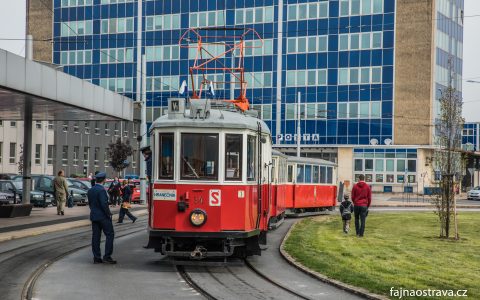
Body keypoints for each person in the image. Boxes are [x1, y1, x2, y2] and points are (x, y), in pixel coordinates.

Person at [88, 172, 116, 264]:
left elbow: (91, 204)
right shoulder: (101, 190)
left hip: (94, 216)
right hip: (103, 217)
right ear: (104, 180)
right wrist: (108, 214)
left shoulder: (91, 190)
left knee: (96, 237)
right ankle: (107, 256)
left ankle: (96, 257)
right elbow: (104, 204)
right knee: (110, 234)